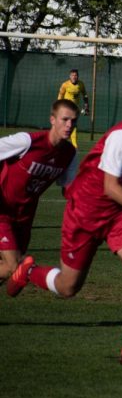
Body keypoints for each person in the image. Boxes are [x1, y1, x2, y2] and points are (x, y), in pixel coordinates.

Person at [6, 90, 122, 366]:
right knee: (68, 287)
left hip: (116, 215)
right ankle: (28, 271)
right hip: (84, 215)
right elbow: (109, 186)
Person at [1, 100, 79, 286]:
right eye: (65, 119)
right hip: (3, 210)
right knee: (15, 266)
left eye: (74, 121)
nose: (69, 125)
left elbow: (69, 189)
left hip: (25, 217)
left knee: (11, 269)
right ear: (52, 119)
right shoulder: (28, 141)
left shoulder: (70, 153)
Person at [57, 68, 90, 148]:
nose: (74, 77)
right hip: (65, 108)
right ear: (70, 76)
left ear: (78, 76)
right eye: (73, 75)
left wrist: (86, 105)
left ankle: (74, 145)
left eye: (76, 75)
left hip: (75, 109)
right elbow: (60, 96)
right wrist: (59, 107)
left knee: (73, 126)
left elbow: (85, 94)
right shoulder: (65, 84)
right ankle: (59, 141)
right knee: (63, 125)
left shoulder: (81, 84)